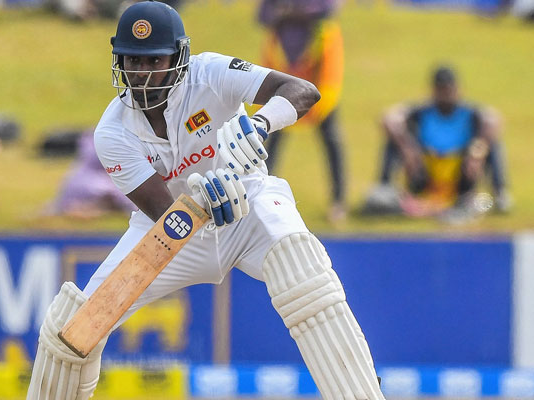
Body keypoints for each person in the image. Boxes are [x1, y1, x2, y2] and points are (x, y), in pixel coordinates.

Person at [26, 2, 385, 399]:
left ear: (179, 57)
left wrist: (261, 123)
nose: (141, 76)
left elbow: (303, 90)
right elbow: (167, 217)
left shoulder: (211, 72)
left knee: (300, 264)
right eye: (132, 62)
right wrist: (204, 202)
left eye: (153, 62)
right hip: (172, 230)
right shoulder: (113, 133)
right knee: (72, 332)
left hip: (249, 204)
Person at [363, 66, 510, 219]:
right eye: (441, 90)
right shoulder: (421, 112)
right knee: (394, 139)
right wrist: (407, 148)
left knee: (492, 143)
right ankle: (384, 189)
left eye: (449, 89)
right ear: (433, 90)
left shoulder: (470, 112)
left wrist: (477, 151)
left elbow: (494, 119)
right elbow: (388, 118)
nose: (445, 95)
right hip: (425, 175)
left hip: (460, 176)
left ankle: (500, 194)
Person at [257, 0, 347, 222]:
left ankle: (338, 201)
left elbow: (330, 9)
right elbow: (263, 16)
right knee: (271, 138)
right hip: (285, 69)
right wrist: (293, 14)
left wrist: (291, 12)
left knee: (331, 138)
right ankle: (259, 198)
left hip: (317, 69)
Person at [42, 129, 136, 218]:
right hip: (93, 181)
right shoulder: (103, 137)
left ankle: (90, 207)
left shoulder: (95, 135)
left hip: (89, 179)